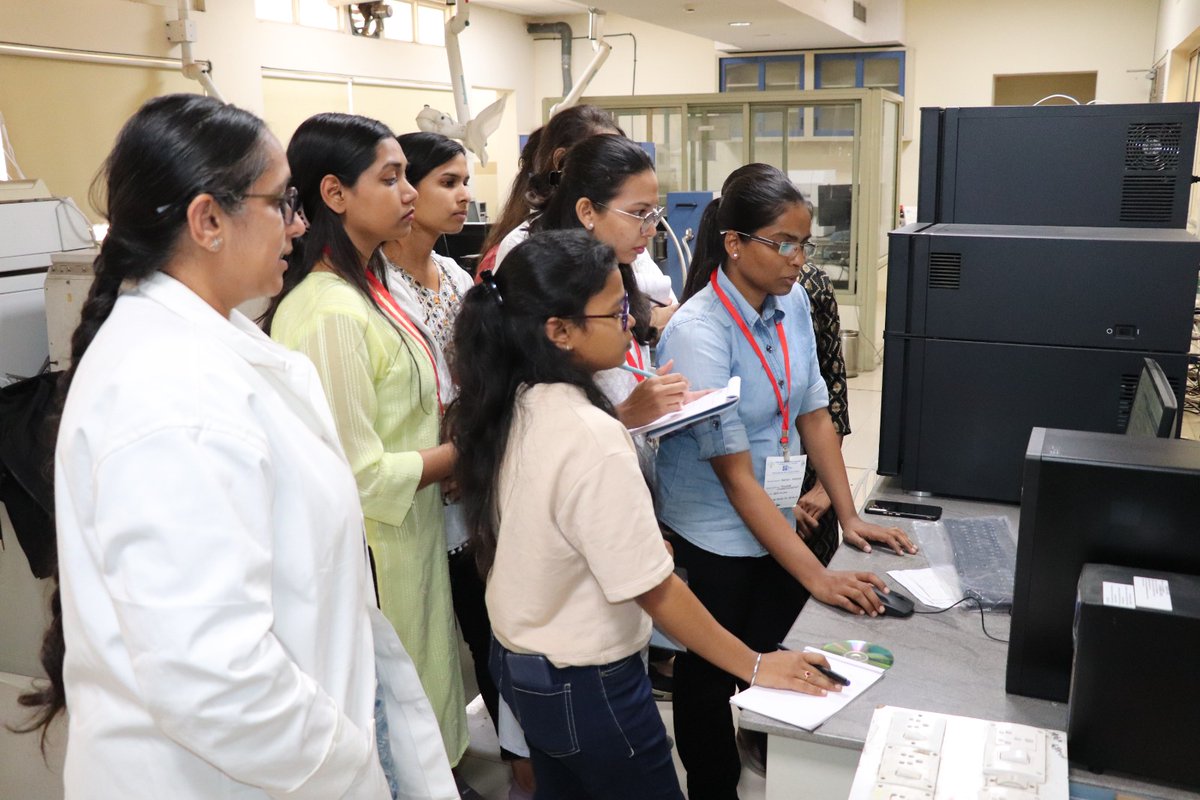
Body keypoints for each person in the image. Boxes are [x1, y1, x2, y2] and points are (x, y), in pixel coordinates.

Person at [17, 93, 456, 799]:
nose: (298, 223)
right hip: (236, 774)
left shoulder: (221, 346)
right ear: (207, 219)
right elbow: (213, 679)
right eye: (282, 201)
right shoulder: (168, 395)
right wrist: (349, 765)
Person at [445, 229, 844, 800]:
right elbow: (656, 593)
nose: (632, 323)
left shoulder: (518, 400)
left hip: (525, 667)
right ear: (559, 331)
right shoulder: (592, 433)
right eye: (615, 313)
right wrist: (757, 666)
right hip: (588, 680)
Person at [660, 164, 918, 800]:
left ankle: (767, 764)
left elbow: (813, 410)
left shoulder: (793, 300)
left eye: (806, 243)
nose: (798, 258)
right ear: (735, 243)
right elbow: (735, 477)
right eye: (783, 243)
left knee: (776, 658)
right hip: (715, 532)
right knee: (712, 672)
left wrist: (850, 516)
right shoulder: (699, 332)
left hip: (776, 524)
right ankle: (713, 787)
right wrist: (817, 574)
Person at [264, 113, 470, 788]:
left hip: (411, 541)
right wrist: (462, 453)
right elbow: (356, 473)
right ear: (334, 194)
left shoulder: (372, 289)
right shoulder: (329, 310)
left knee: (426, 720)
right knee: (392, 737)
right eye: (391, 177)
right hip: (375, 557)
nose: (408, 192)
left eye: (408, 176)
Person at [379, 131, 533, 796]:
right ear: (404, 191)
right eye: (449, 180)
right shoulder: (372, 292)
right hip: (409, 502)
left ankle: (521, 765)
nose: (465, 195)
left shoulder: (459, 280)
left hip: (468, 499)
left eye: (466, 180)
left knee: (494, 639)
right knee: (415, 656)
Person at [524, 133, 690, 429]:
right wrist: (626, 414)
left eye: (654, 214)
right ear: (587, 211)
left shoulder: (620, 268)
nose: (651, 230)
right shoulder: (546, 286)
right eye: (639, 213)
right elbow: (542, 428)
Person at [476, 104, 621, 275]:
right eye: (605, 158)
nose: (619, 172)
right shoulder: (523, 244)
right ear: (561, 160)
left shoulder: (617, 230)